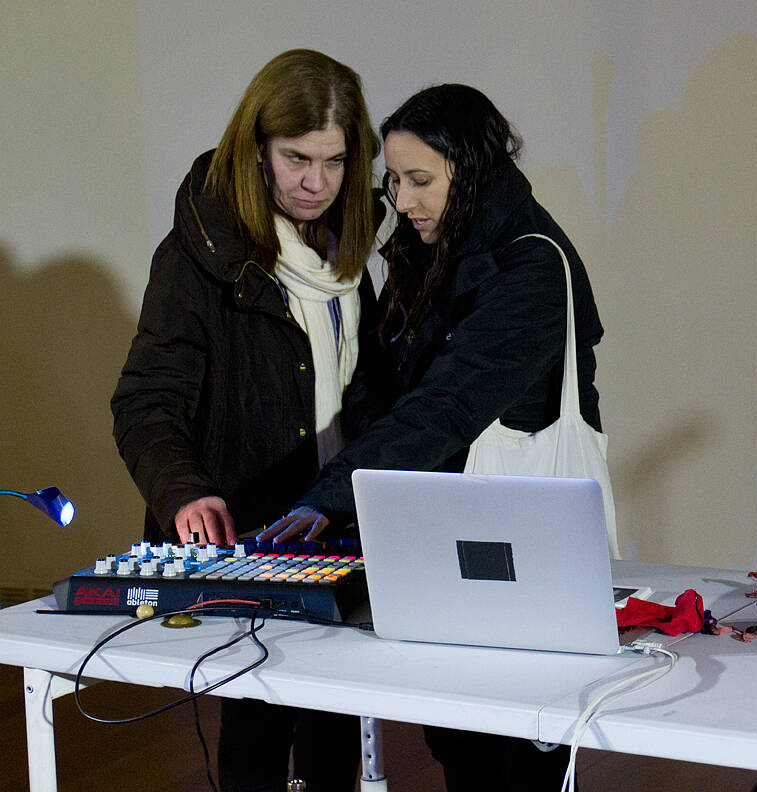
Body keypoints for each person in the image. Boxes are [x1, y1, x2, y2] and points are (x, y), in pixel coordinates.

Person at [259, 83, 604, 792]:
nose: (405, 199)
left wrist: (332, 494)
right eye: (395, 179)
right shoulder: (433, 245)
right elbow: (383, 387)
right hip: (451, 532)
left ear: (470, 169)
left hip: (520, 546)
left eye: (421, 181)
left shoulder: (532, 264)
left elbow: (445, 406)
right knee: (460, 737)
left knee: (517, 750)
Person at [110, 49, 383, 792]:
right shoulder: (198, 255)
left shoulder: (353, 250)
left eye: (333, 162)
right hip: (253, 528)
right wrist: (182, 493)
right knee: (258, 725)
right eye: (296, 158)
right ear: (255, 146)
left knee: (337, 718)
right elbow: (145, 401)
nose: (314, 183)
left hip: (340, 522)